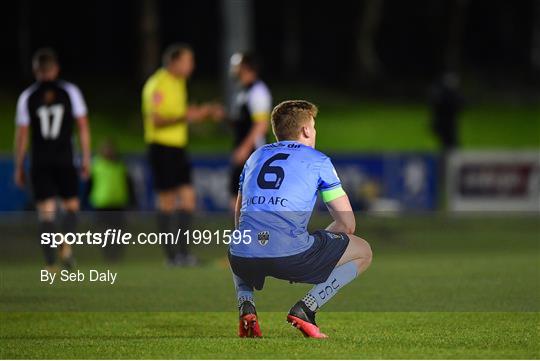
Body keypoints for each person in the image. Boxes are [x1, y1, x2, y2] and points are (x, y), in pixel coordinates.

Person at [228, 100, 373, 338]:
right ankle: (306, 308)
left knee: (242, 237)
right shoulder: (318, 160)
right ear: (306, 130)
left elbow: (240, 216)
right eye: (313, 126)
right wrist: (313, 256)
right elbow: (347, 224)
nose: (314, 131)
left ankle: (246, 305)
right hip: (291, 255)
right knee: (364, 250)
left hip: (242, 257)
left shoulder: (255, 156)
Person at [142, 43, 222, 266]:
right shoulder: (157, 83)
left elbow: (182, 116)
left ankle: (184, 254)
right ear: (174, 62)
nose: (192, 66)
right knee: (166, 202)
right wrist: (186, 116)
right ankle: (171, 256)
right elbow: (156, 120)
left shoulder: (179, 83)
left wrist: (201, 114)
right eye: (188, 61)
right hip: (161, 147)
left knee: (188, 199)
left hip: (178, 148)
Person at [14, 48, 91, 270]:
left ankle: (50, 263)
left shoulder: (28, 96)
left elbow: (22, 134)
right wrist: (86, 157)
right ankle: (65, 247)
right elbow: (83, 127)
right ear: (55, 68)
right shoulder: (70, 92)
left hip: (40, 160)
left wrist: (19, 165)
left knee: (46, 212)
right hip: (65, 158)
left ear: (35, 70)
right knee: (72, 207)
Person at [228, 53, 272, 210]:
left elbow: (261, 124)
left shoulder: (258, 91)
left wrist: (245, 148)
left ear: (246, 67)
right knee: (236, 196)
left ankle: (250, 234)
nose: (233, 68)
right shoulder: (243, 91)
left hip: (253, 152)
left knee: (249, 198)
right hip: (243, 149)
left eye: (237, 65)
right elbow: (243, 122)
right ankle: (241, 233)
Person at [87, 139, 134, 262]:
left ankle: (117, 255)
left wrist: (132, 201)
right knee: (104, 232)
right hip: (101, 204)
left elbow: (129, 184)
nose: (108, 152)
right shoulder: (96, 165)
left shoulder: (120, 165)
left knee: (119, 232)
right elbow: (89, 185)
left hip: (118, 204)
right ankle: (107, 255)